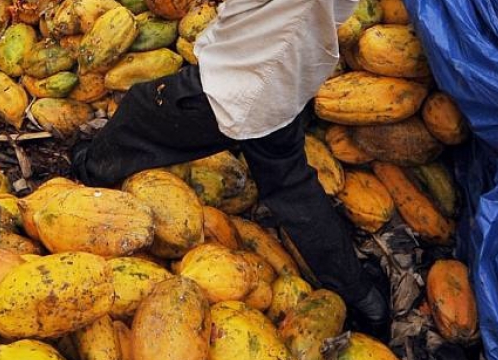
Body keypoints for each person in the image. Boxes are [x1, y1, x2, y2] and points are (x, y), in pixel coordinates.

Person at [71, 0, 391, 334]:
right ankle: (364, 298)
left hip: (238, 84)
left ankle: (92, 170)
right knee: (291, 186)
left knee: (141, 109)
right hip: (286, 80)